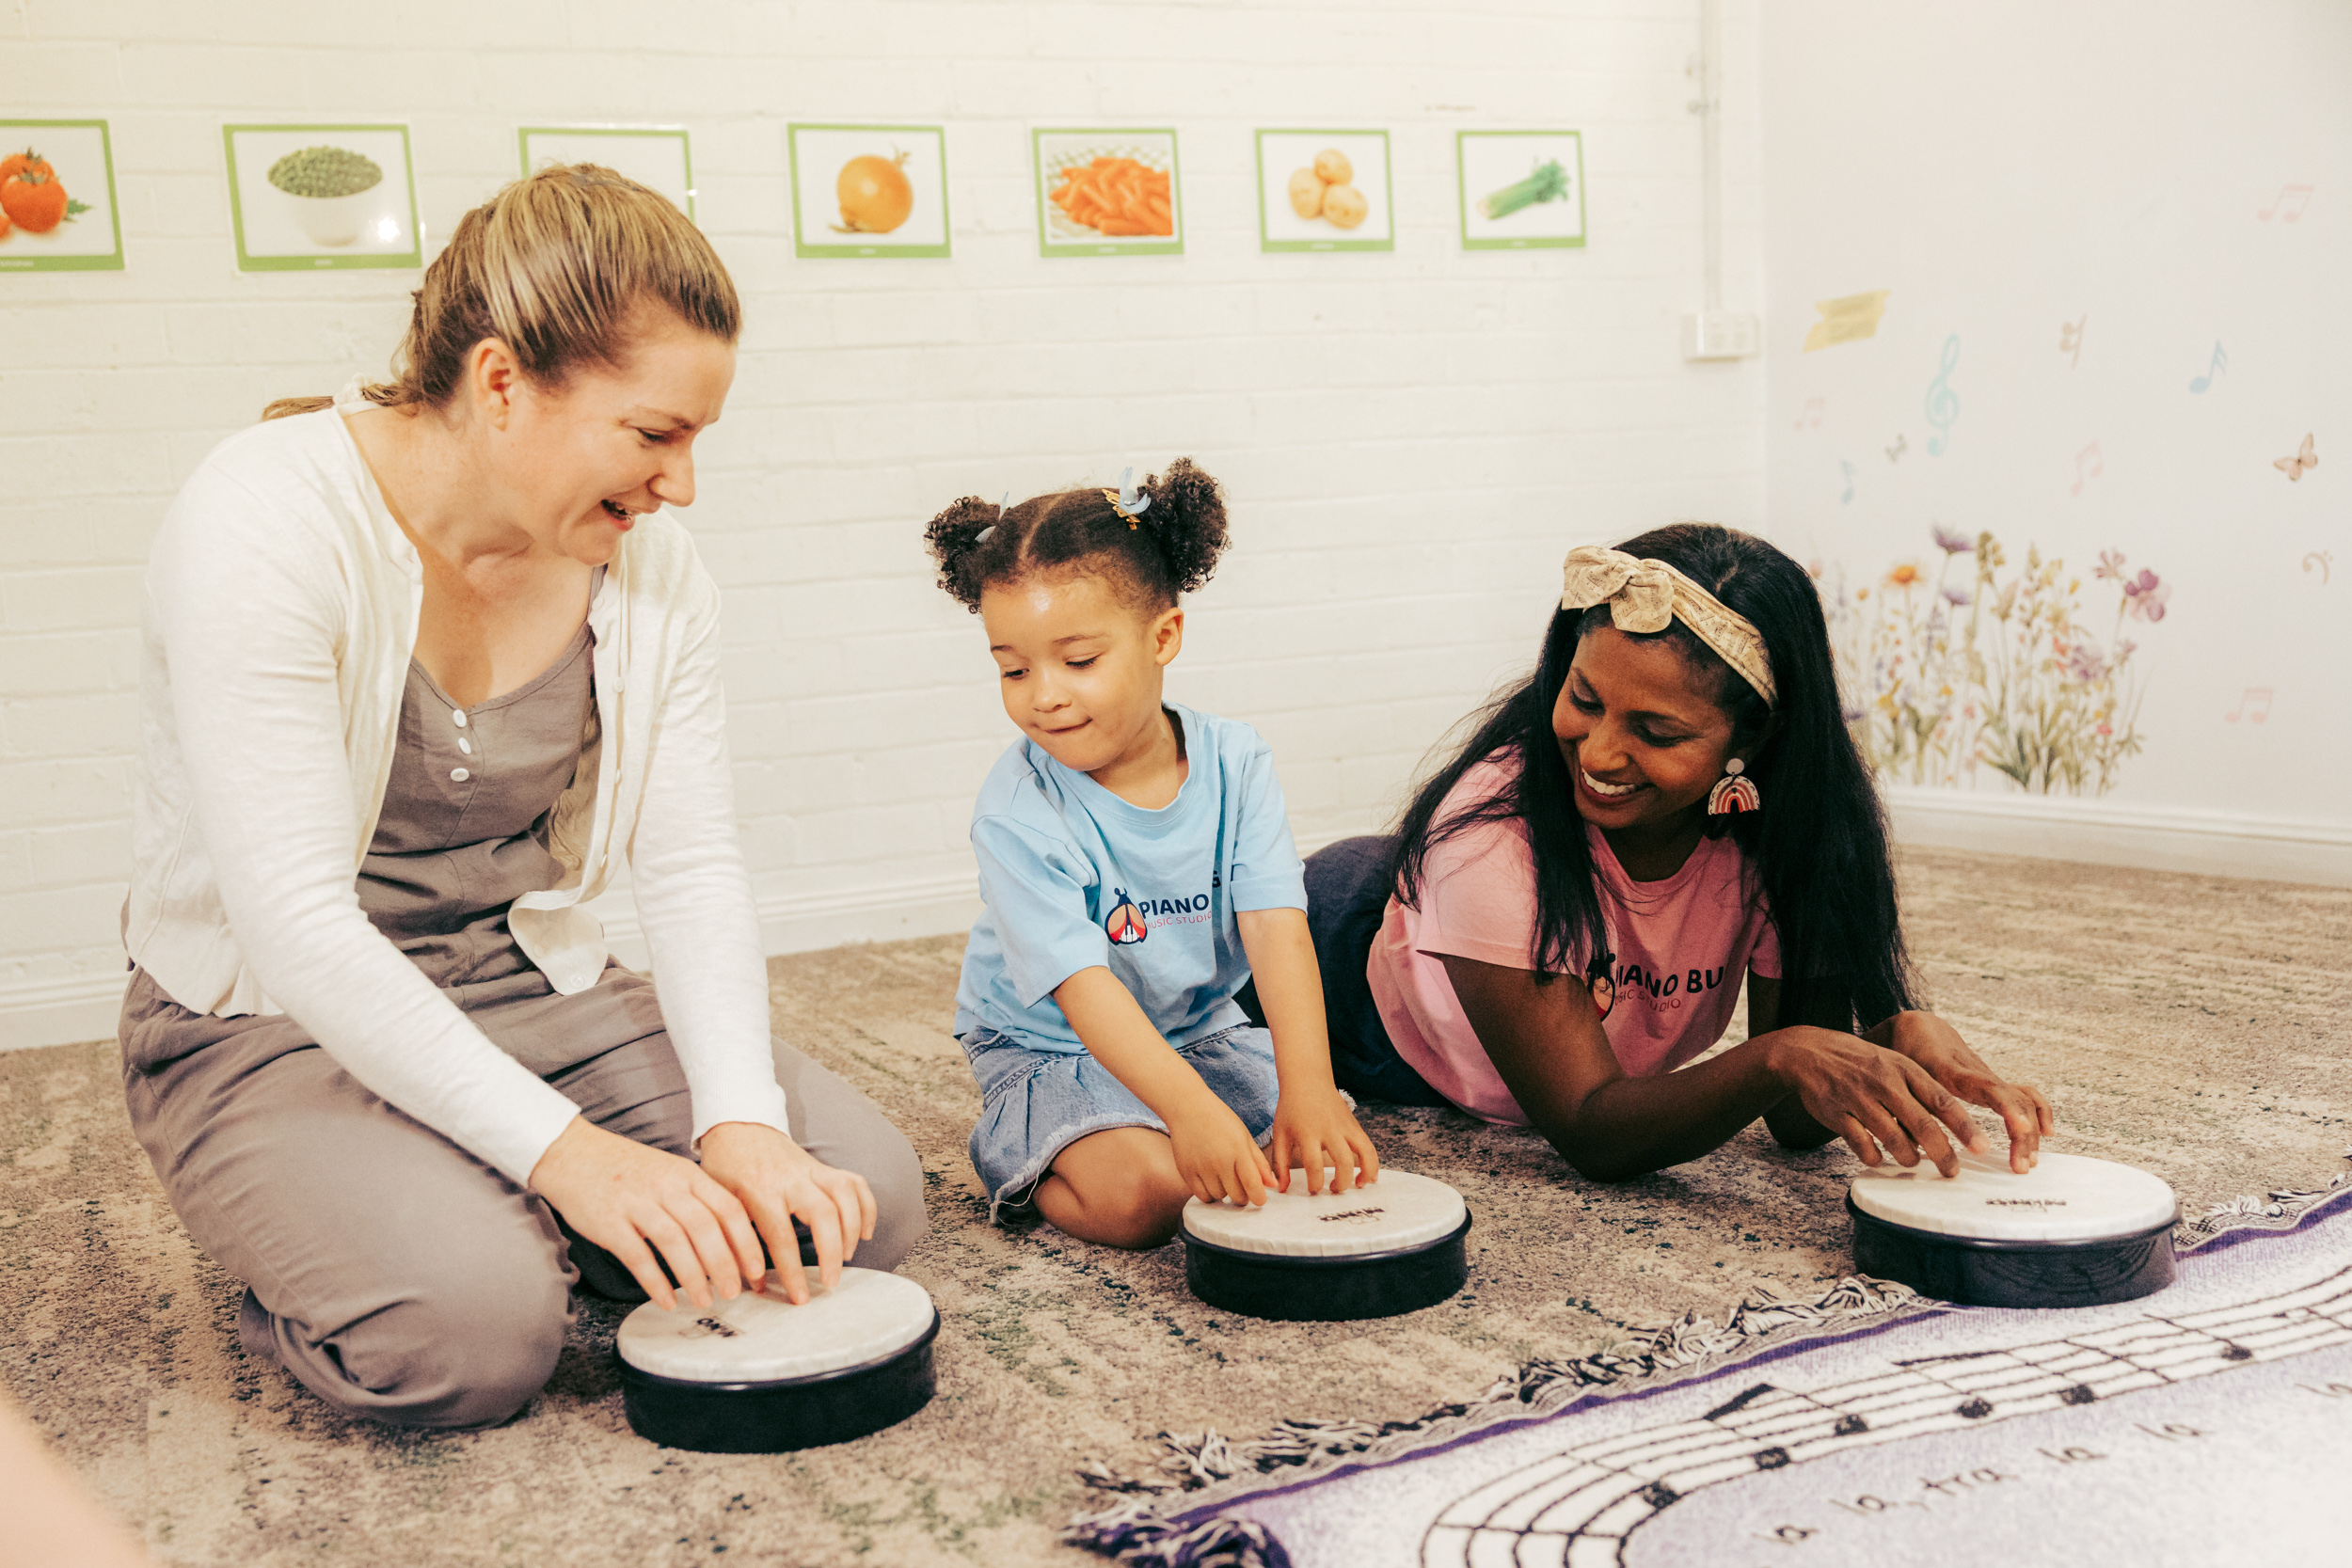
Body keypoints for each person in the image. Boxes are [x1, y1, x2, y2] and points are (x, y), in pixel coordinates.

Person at [120, 165, 924, 1432]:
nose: (682, 484)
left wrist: (737, 1124)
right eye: (655, 434)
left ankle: (494, 1187)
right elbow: (291, 922)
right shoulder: (261, 517)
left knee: (854, 1197)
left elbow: (692, 861)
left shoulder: (650, 564)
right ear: (500, 382)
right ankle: (414, 1228)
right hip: (267, 1019)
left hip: (521, 985)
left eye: (698, 437)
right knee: (473, 1338)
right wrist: (576, 1158)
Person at [1304, 524, 2055, 1181]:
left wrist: (1889, 1036)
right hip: (1347, 973)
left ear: (1753, 739)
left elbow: (1795, 1124)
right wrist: (1783, 1051)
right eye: (1585, 699)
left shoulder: (1787, 834)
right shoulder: (1485, 835)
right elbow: (1592, 1125)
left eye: (1656, 733)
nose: (1597, 752)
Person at [923, 463, 1378, 1248]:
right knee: (1156, 1196)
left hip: (1193, 1030)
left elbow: (1275, 927)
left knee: (1303, 1155)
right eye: (1013, 669)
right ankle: (1019, 1152)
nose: (1044, 695)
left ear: (1162, 636)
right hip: (1051, 1044)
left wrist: (1308, 1088)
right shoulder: (1016, 813)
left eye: (1079, 660)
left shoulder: (1237, 761)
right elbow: (1083, 988)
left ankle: (1195, 1108)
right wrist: (1193, 1111)